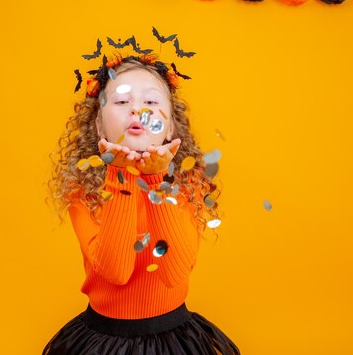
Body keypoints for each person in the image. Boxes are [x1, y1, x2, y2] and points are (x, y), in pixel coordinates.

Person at [44, 43, 240, 354]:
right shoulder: (83, 189)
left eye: (150, 100)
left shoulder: (190, 182)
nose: (138, 110)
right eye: (122, 101)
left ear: (170, 127)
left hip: (173, 338)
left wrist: (156, 178)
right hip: (104, 340)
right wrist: (121, 175)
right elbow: (117, 272)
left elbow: (174, 273)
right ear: (97, 125)